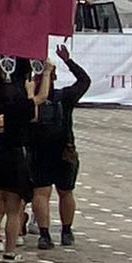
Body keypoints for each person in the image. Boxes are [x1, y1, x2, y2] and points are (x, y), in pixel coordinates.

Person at [0, 59, 40, 263]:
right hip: (13, 160)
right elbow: (34, 115)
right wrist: (30, 92)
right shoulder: (17, 105)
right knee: (14, 210)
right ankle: (10, 251)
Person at [29, 48, 91, 249]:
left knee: (41, 192)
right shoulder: (65, 96)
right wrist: (68, 61)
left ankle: (45, 235)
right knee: (66, 192)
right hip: (65, 150)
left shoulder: (30, 100)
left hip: (40, 151)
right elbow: (84, 81)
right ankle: (66, 231)